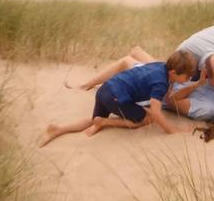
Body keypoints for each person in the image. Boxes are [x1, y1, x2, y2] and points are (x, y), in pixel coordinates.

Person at [39, 49, 198, 147]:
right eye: (187, 76)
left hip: (105, 89)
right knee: (147, 119)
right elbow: (156, 113)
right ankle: (105, 122)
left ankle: (58, 129)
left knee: (94, 119)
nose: (189, 79)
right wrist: (173, 130)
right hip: (116, 98)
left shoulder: (160, 66)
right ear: (174, 73)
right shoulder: (161, 83)